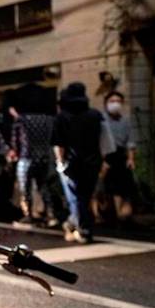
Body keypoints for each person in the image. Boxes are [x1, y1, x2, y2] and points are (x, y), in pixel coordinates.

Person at [53, 81, 107, 243]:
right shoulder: (96, 115)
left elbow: (59, 143)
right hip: (92, 163)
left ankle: (82, 228)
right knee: (85, 196)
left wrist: (60, 162)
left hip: (71, 164)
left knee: (74, 197)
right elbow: (105, 140)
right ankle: (74, 224)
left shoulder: (62, 117)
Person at [8, 83, 62, 227]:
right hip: (44, 156)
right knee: (43, 186)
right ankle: (51, 215)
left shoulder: (21, 120)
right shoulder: (49, 119)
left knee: (25, 187)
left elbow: (15, 140)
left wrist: (14, 152)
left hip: (26, 157)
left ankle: (28, 215)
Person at [101, 89, 139, 226]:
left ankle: (123, 213)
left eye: (118, 101)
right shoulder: (102, 120)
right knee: (109, 186)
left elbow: (130, 141)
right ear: (106, 103)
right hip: (106, 155)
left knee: (126, 184)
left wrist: (131, 158)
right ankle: (115, 213)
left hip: (121, 155)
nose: (115, 104)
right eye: (112, 101)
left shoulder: (125, 121)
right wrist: (102, 160)